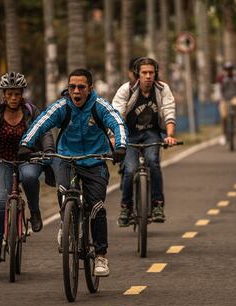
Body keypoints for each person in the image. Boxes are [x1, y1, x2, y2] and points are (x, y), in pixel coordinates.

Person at [18, 68, 128, 277]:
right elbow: (41, 122)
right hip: (66, 159)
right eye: (72, 87)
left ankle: (100, 256)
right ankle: (66, 222)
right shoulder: (62, 107)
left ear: (90, 88)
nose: (76, 91)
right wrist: (25, 143)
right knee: (64, 190)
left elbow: (118, 123)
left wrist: (121, 147)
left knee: (96, 207)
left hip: (96, 161)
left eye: (81, 87)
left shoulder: (100, 107)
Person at [0, 72, 55, 263]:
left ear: (22, 93)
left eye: (17, 94)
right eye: (10, 94)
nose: (13, 98)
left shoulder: (31, 111)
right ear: (4, 94)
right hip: (1, 161)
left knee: (30, 177)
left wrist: (48, 151)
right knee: (0, 201)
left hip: (29, 159)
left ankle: (34, 211)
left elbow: (45, 132)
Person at [112, 57, 177, 227]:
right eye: (144, 73)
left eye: (151, 72)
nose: (148, 76)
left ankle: (157, 205)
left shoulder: (163, 89)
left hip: (151, 133)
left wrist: (169, 135)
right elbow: (116, 115)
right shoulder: (126, 90)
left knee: (153, 162)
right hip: (129, 135)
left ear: (155, 74)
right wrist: (114, 137)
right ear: (137, 75)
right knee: (129, 169)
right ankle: (126, 207)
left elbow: (169, 112)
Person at [216, 61, 236, 145]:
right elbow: (218, 89)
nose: (229, 71)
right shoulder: (221, 78)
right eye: (227, 69)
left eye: (230, 69)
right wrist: (219, 99)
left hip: (235, 97)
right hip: (224, 99)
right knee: (223, 116)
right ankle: (223, 135)